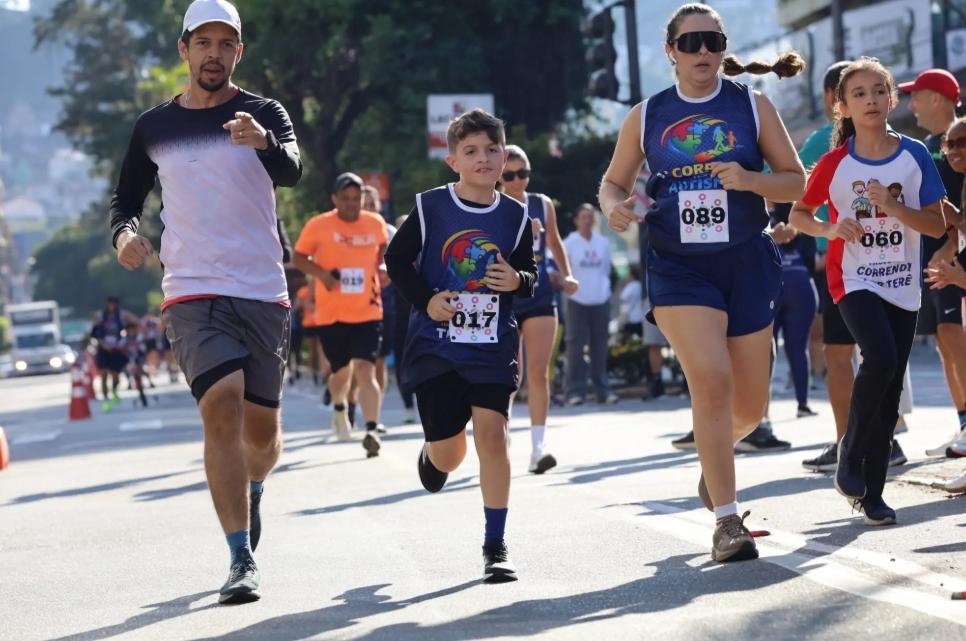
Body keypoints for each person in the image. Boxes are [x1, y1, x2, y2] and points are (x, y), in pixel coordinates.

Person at [110, 0, 302, 603]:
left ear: (238, 52)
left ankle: (255, 489)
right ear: (184, 49)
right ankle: (240, 557)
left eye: (226, 44)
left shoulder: (264, 112)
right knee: (221, 405)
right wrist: (125, 237)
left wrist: (264, 141)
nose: (214, 54)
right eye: (203, 43)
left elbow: (292, 170)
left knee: (263, 439)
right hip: (191, 290)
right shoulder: (154, 127)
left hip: (261, 289)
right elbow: (125, 202)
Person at [599, 3, 807, 562]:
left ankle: (715, 470)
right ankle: (726, 521)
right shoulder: (646, 115)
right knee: (711, 381)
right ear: (670, 51)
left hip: (746, 260)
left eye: (712, 41)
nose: (703, 52)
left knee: (750, 407)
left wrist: (748, 179)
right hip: (679, 264)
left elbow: (796, 179)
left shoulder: (752, 106)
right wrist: (616, 209)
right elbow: (614, 184)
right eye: (690, 42)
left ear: (723, 47)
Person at [790, 57, 946, 526]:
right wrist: (831, 228)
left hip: (903, 282)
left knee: (891, 384)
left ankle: (871, 493)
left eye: (879, 90)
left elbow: (937, 223)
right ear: (843, 107)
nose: (871, 100)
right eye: (859, 93)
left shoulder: (914, 155)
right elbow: (798, 215)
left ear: (892, 98)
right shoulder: (835, 162)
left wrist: (895, 207)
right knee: (877, 357)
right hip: (854, 279)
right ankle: (849, 452)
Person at [385, 108, 537, 583]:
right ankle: (433, 454)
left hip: (492, 344)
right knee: (452, 455)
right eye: (471, 151)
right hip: (438, 346)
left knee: (493, 435)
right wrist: (427, 301)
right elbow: (396, 260)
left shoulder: (515, 216)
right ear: (453, 160)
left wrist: (517, 279)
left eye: (493, 150)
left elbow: (527, 277)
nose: (484, 159)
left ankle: (496, 545)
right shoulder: (430, 208)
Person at [294, 172, 388, 456]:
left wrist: (382, 269)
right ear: (335, 199)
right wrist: (323, 275)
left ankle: (371, 428)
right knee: (341, 372)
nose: (351, 203)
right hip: (332, 314)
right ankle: (339, 406)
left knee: (365, 369)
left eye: (356, 198)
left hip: (368, 310)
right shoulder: (319, 225)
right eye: (345, 198)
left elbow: (382, 250)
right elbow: (299, 258)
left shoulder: (375, 224)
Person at [502, 144, 578, 474]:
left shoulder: (542, 203)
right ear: (499, 176)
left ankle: (538, 447)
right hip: (504, 294)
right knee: (508, 376)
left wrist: (567, 273)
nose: (517, 181)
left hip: (539, 292)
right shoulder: (492, 205)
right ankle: (499, 441)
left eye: (523, 174)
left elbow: (555, 242)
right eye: (509, 175)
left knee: (538, 372)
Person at [901, 69, 966, 448]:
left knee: (956, 338)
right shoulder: (930, 146)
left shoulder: (959, 139)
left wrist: (951, 246)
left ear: (939, 98)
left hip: (953, 261)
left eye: (917, 96)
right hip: (938, 261)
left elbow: (956, 213)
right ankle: (962, 423)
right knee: (946, 340)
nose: (912, 105)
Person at [563, 204, 618, 406]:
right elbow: (562, 270)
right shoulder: (569, 243)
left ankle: (603, 390)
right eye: (583, 216)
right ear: (576, 220)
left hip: (600, 300)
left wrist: (605, 291)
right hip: (578, 300)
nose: (587, 220)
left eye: (590, 216)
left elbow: (606, 270)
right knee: (575, 347)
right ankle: (575, 391)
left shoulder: (603, 243)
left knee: (600, 347)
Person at [91, 296, 139, 411]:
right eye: (110, 304)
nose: (112, 307)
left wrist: (130, 336)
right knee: (103, 375)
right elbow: (94, 332)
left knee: (116, 376)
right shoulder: (100, 315)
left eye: (114, 304)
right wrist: (101, 343)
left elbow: (137, 323)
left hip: (117, 348)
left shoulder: (122, 315)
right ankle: (106, 399)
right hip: (103, 348)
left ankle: (114, 390)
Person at [619, 265, 644, 339]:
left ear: (631, 275)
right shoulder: (640, 285)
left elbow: (623, 297)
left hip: (632, 318)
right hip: (641, 316)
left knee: (631, 339)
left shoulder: (630, 286)